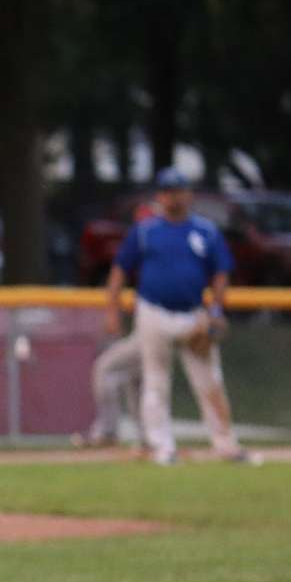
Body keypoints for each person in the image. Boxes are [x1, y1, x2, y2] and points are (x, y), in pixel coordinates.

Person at [103, 167, 249, 465]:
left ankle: (225, 445)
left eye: (179, 190)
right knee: (156, 381)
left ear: (189, 194)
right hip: (153, 312)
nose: (174, 197)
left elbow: (221, 273)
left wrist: (215, 311)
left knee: (210, 381)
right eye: (168, 191)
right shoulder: (145, 231)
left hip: (193, 315)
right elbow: (119, 272)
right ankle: (162, 447)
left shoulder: (205, 231)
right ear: (160, 196)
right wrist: (112, 311)